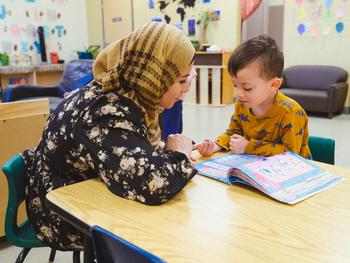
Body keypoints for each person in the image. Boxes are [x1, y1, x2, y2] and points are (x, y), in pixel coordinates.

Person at [22, 22, 197, 251]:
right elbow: (151, 184)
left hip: (76, 190)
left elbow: (129, 153)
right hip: (60, 213)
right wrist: (179, 154)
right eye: (181, 80)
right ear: (154, 75)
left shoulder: (121, 92)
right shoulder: (107, 110)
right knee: (163, 229)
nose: (186, 89)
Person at [196, 34, 311, 159]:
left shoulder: (291, 112)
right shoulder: (243, 103)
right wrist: (215, 145)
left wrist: (248, 147)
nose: (237, 94)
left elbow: (290, 154)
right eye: (235, 85)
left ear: (274, 85)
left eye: (247, 88)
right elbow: (233, 134)